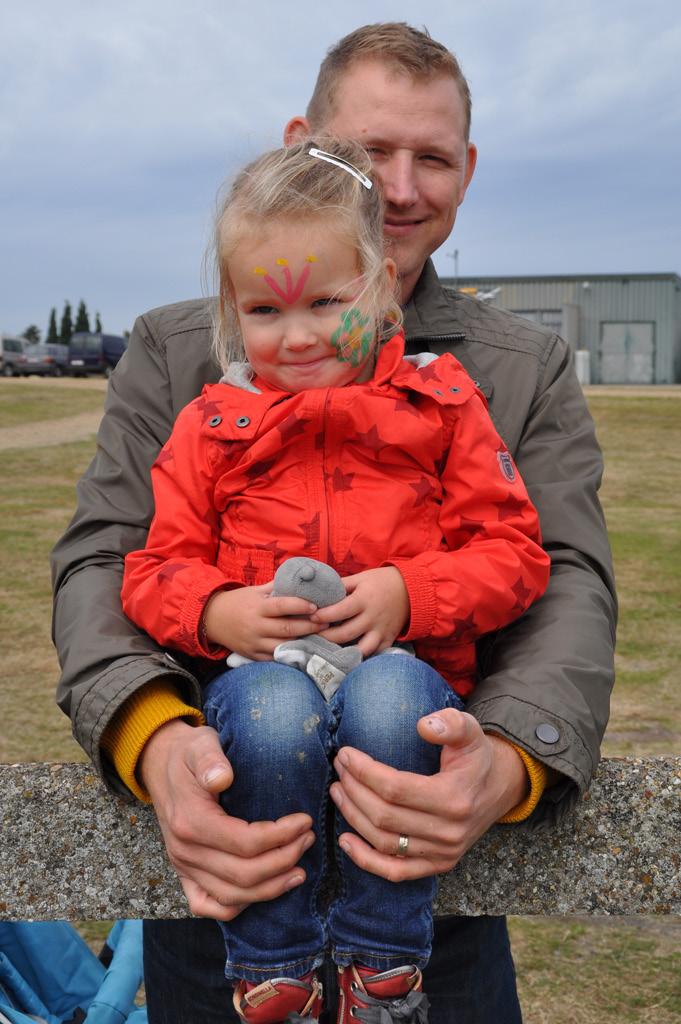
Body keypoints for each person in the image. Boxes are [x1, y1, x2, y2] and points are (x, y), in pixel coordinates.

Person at [51, 22, 616, 1024]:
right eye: (366, 155)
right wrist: (154, 734)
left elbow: (562, 575)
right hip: (223, 882)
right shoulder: (177, 353)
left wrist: (508, 760)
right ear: (298, 144)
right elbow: (108, 560)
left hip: (437, 896)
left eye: (431, 157)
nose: (400, 188)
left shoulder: (514, 370)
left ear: (468, 170)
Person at [117, 138, 551, 1023]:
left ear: (383, 284)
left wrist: (409, 595)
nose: (300, 334)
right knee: (274, 713)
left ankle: (380, 968)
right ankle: (269, 972)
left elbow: (514, 551)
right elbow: (149, 570)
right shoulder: (211, 424)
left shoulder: (442, 403)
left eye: (326, 300)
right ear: (233, 314)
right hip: (261, 683)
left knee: (392, 698)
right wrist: (214, 609)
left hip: (409, 674)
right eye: (265, 311)